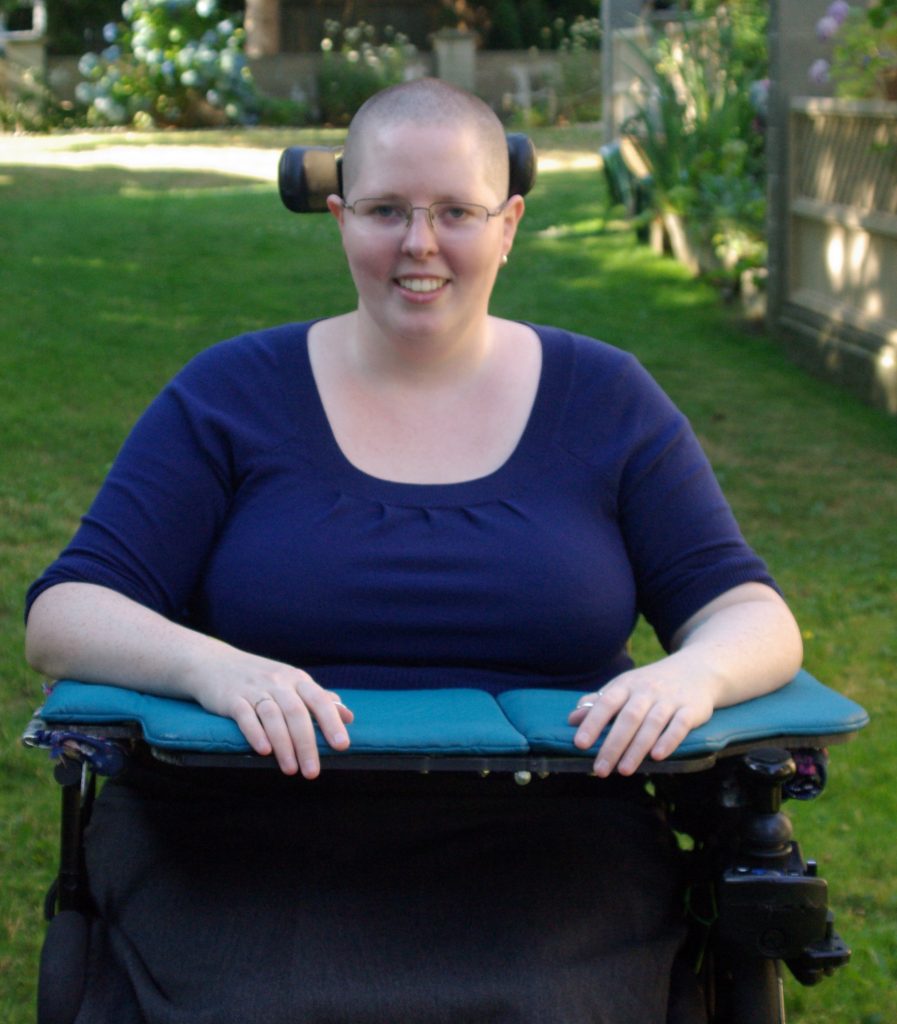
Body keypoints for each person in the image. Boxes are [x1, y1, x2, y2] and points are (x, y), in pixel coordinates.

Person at [25, 78, 802, 1024]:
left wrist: (697, 676)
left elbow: (746, 609)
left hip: (548, 842)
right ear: (340, 216)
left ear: (508, 223)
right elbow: (66, 611)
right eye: (386, 210)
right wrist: (213, 669)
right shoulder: (231, 394)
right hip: (246, 826)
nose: (419, 244)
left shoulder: (605, 398)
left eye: (455, 212)